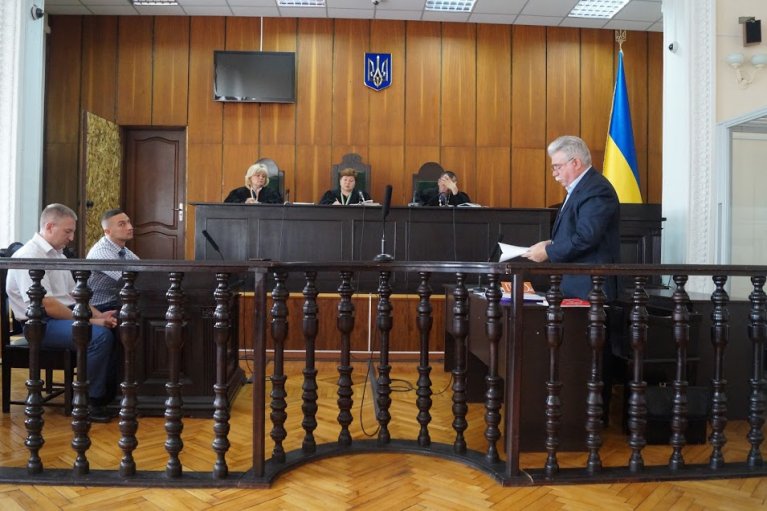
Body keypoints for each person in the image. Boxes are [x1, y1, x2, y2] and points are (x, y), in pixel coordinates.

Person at [6, 204, 118, 422]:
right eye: (68, 231)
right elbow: (47, 305)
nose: (72, 238)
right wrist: (91, 321)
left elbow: (75, 296)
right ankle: (87, 402)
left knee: (116, 328)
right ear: (50, 226)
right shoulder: (29, 255)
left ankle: (108, 395)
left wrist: (99, 315)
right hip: (39, 325)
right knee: (98, 336)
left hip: (61, 317)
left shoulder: (58, 255)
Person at [522, 135, 620, 301]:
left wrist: (548, 251)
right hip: (576, 285)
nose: (554, 173)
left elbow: (586, 237)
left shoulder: (597, 190)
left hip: (590, 289)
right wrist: (551, 243)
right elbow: (575, 232)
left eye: (557, 167)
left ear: (575, 163)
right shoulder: (582, 188)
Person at [86, 208, 140, 312]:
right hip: (99, 308)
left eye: (128, 222)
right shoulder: (102, 251)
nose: (130, 227)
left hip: (116, 302)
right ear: (107, 231)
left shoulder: (122, 249)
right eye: (122, 224)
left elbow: (143, 270)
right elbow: (126, 279)